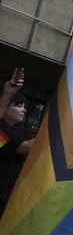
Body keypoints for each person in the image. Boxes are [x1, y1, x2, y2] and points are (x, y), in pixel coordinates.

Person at [0, 68, 34, 217]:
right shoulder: (2, 131)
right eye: (18, 106)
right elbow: (26, 147)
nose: (24, 110)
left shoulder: (13, 132)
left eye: (24, 107)